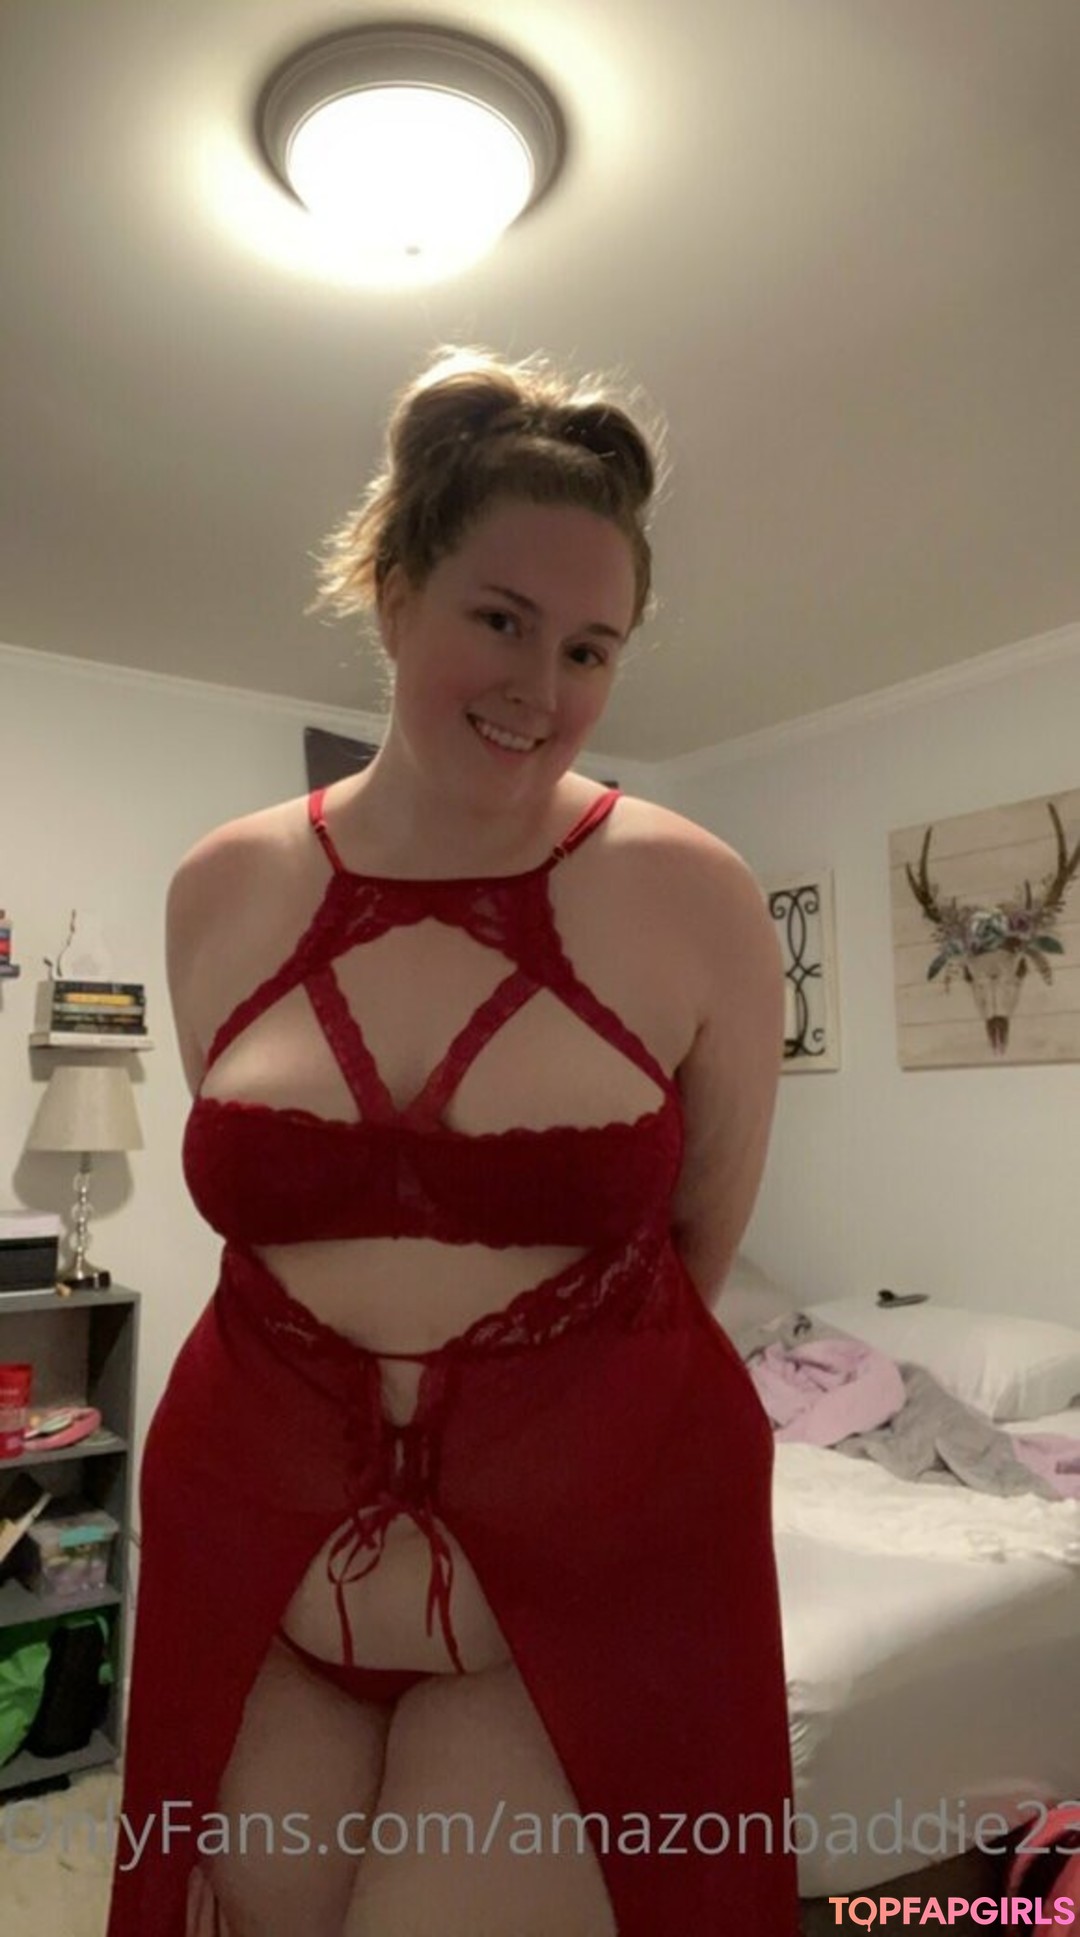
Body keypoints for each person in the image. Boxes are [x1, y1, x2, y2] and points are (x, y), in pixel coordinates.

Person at [106, 345, 799, 1937]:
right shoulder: (220, 888)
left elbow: (692, 1246)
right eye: (502, 619)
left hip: (578, 1591)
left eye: (591, 647)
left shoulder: (695, 894)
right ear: (395, 589)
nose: (542, 689)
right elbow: (265, 1215)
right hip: (255, 1559)